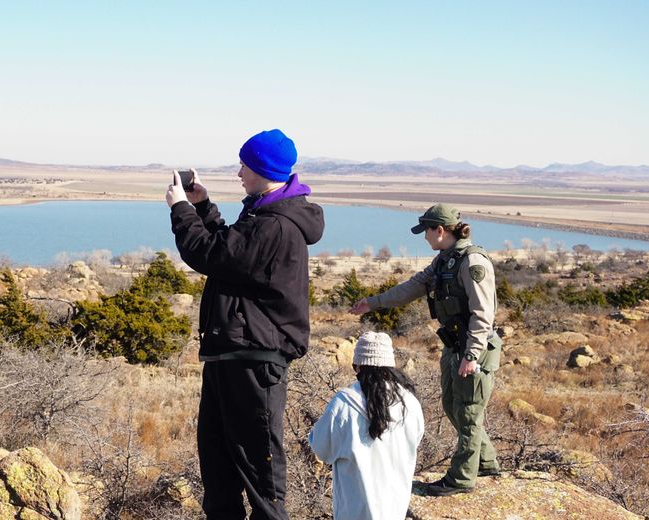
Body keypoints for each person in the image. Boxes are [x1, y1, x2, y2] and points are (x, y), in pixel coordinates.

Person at [167, 128, 324, 520]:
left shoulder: (275, 224)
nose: (238, 173)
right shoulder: (263, 212)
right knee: (219, 472)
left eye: (244, 165)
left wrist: (180, 210)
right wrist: (203, 207)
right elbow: (231, 249)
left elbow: (210, 254)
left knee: (261, 476)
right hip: (233, 355)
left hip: (255, 361)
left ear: (261, 168)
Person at [350, 203, 503, 496]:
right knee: (451, 405)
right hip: (454, 346)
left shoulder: (472, 263)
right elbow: (413, 287)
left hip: (473, 348)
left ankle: (461, 479)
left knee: (469, 411)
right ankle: (485, 461)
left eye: (427, 232)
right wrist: (374, 302)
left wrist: (472, 355)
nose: (425, 238)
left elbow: (483, 314)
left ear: (441, 230)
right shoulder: (445, 261)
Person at [308, 331, 424, 519]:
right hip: (395, 509)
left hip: (353, 511)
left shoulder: (344, 402)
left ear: (357, 365)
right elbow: (415, 441)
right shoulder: (410, 403)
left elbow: (322, 450)